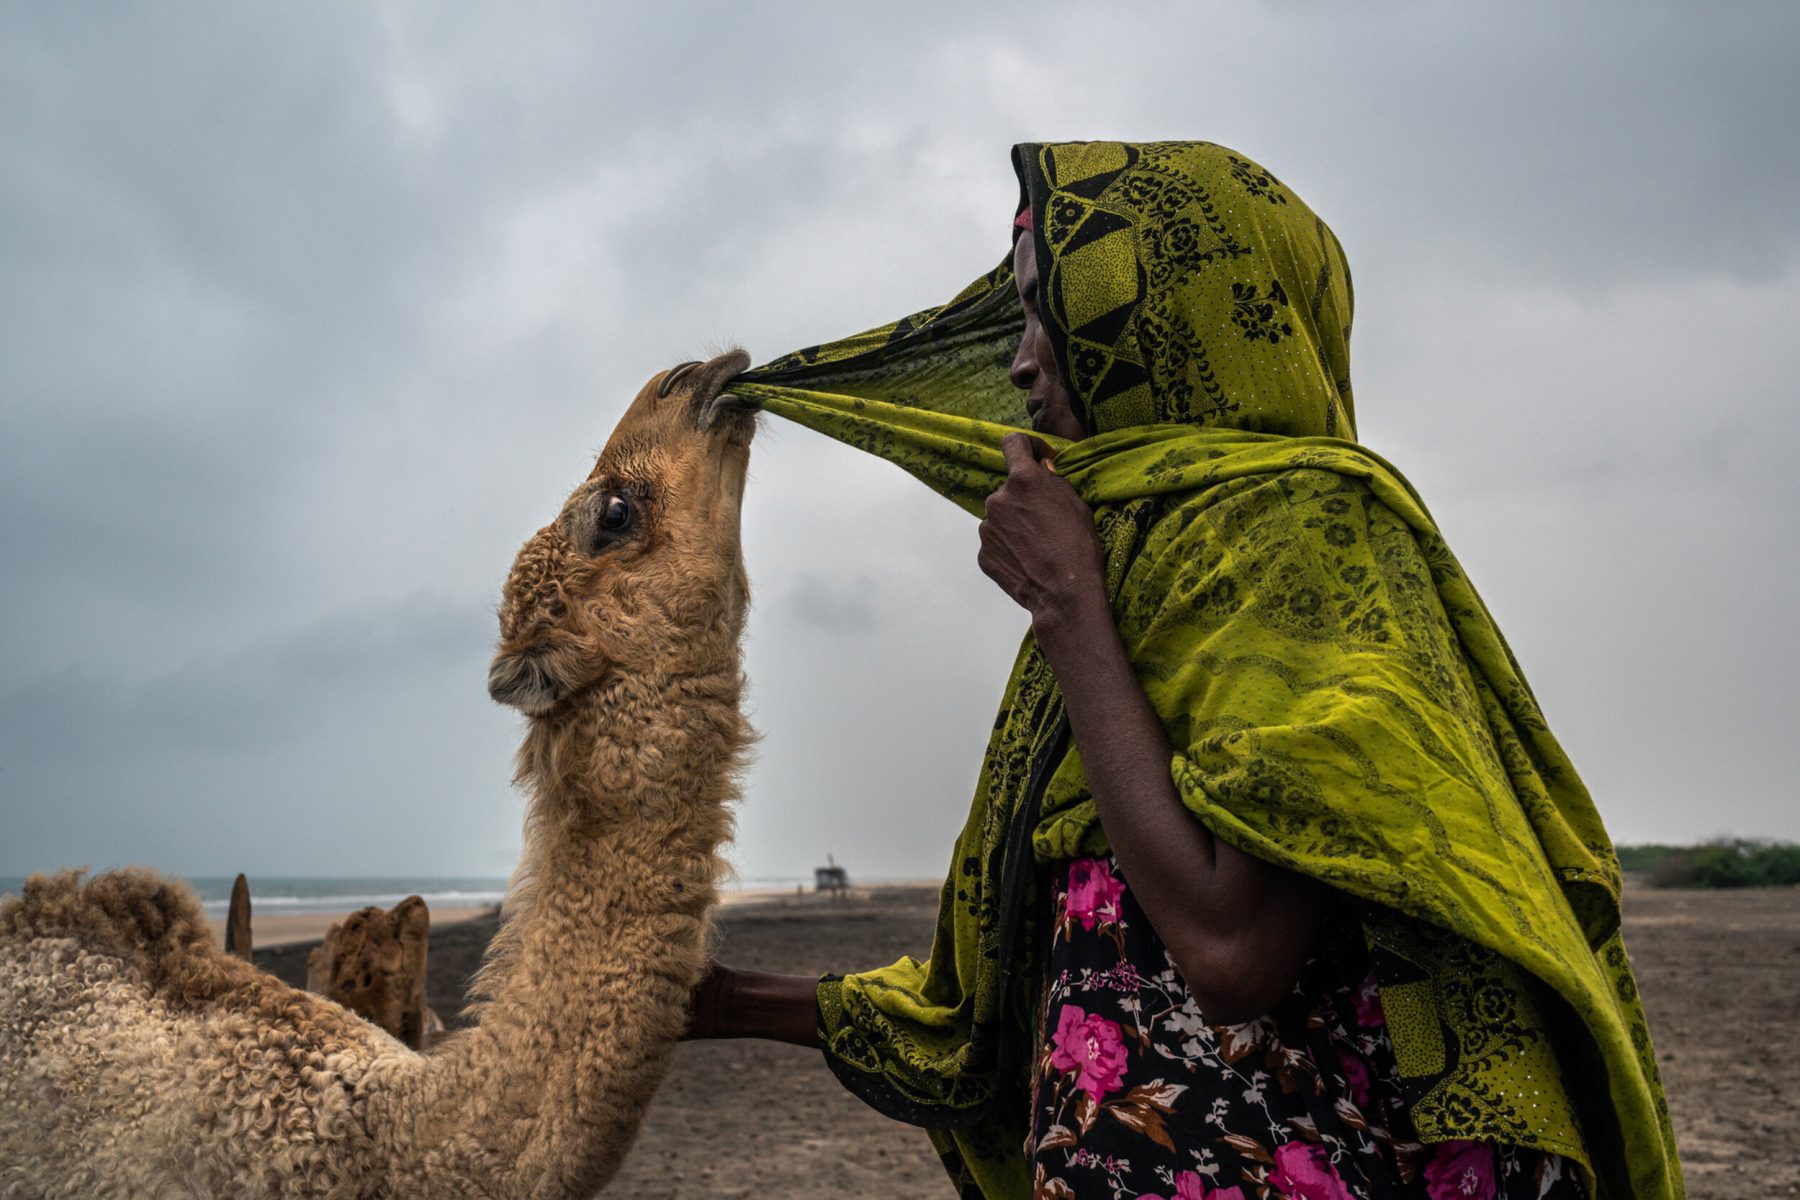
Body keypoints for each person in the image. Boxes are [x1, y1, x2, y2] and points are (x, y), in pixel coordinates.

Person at [692, 142, 1680, 1200]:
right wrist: (727, 1003)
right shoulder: (1144, 577)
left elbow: (1227, 951)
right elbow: (1029, 999)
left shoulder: (1294, 538)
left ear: (1165, 321)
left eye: (1045, 318)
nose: (1021, 363)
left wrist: (1068, 609)